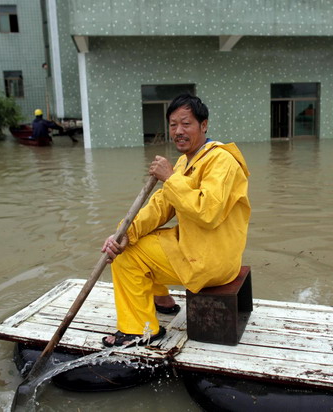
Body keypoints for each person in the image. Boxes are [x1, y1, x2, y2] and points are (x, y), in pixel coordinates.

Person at [101, 94, 251, 347]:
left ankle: (140, 330)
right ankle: (163, 300)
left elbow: (208, 212)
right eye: (173, 125)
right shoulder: (185, 161)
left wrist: (170, 178)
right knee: (137, 240)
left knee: (127, 258)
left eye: (186, 124)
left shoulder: (221, 161)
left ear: (204, 126)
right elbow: (161, 206)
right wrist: (126, 232)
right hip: (198, 247)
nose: (178, 131)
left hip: (211, 259)